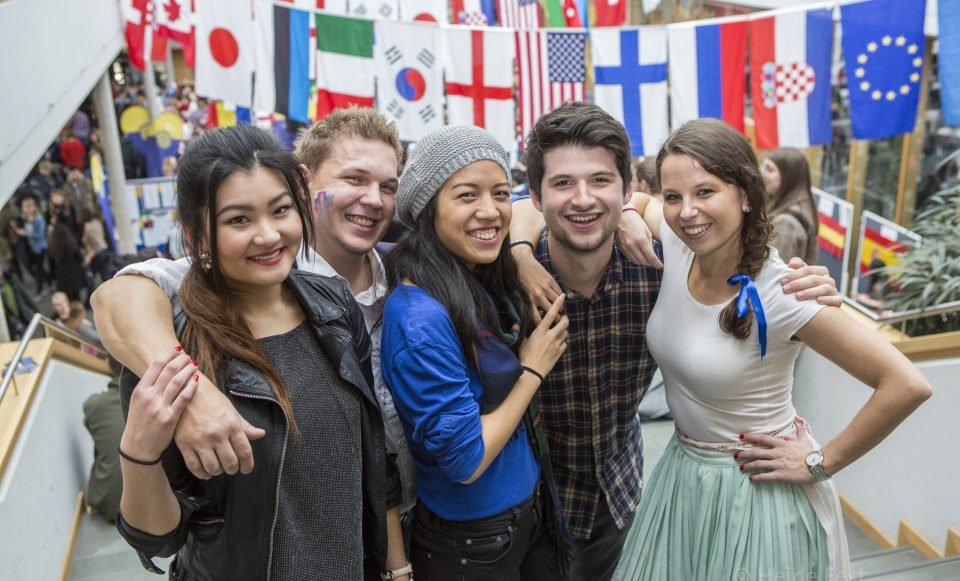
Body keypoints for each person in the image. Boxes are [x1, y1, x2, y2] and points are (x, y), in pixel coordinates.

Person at [507, 102, 842, 581]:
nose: (583, 198)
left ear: (627, 189)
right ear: (537, 197)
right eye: (563, 183)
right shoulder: (506, 284)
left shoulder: (660, 268)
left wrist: (799, 287)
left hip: (618, 500)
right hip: (522, 509)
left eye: (600, 180)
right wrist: (519, 254)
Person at [612, 118, 931, 580]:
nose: (686, 211)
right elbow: (641, 203)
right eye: (674, 196)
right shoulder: (681, 246)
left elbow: (906, 383)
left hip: (755, 492)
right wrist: (627, 213)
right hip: (684, 477)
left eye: (705, 192)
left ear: (745, 194)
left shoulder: (785, 292)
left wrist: (821, 462)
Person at [92, 107, 418, 518]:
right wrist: (192, 391)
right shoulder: (251, 274)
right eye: (354, 179)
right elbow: (119, 296)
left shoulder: (406, 275)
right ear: (304, 182)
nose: (373, 199)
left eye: (388, 186)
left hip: (410, 520)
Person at [381, 125, 571, 580]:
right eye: (467, 195)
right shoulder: (420, 321)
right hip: (474, 540)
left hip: (522, 515)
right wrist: (532, 369)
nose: (490, 211)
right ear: (428, 207)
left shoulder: (476, 277)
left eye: (500, 193)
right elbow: (466, 459)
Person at [83, 356, 125, 522]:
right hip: (155, 508)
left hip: (109, 505)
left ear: (108, 363)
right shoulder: (159, 398)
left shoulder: (94, 405)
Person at [762, 147, 820, 265]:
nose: (763, 175)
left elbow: (775, 270)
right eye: (764, 168)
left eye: (770, 170)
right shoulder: (802, 202)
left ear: (788, 176)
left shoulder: (786, 223)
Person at [12, 193, 51, 293]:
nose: (26, 209)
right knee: (39, 267)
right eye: (25, 207)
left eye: (28, 206)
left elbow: (39, 235)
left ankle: (41, 288)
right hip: (33, 247)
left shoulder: (39, 219)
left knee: (39, 268)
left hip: (40, 247)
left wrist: (26, 233)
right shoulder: (28, 219)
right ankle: (49, 282)